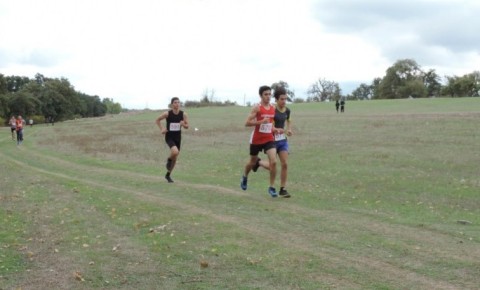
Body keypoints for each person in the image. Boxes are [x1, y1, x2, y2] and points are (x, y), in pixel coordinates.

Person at [253, 87, 293, 198]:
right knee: (272, 165)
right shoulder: (272, 110)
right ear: (276, 99)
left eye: (285, 99)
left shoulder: (287, 110)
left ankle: (283, 189)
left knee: (285, 164)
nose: (284, 101)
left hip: (282, 140)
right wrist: (275, 129)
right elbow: (269, 124)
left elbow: (289, 120)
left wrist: (289, 129)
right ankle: (259, 163)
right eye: (281, 99)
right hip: (271, 140)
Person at [240, 85, 278, 197]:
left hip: (268, 138)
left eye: (269, 94)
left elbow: (270, 123)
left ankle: (271, 187)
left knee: (274, 162)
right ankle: (245, 177)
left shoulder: (273, 108)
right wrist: (260, 122)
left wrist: (274, 129)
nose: (268, 96)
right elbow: (247, 123)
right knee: (251, 162)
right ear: (261, 95)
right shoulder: (257, 108)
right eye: (266, 94)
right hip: (256, 138)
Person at [155, 97, 189, 183]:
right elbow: (157, 120)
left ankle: (168, 175)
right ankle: (168, 160)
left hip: (178, 138)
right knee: (174, 152)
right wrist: (162, 129)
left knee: (175, 158)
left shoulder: (183, 114)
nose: (177, 104)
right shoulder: (167, 114)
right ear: (172, 104)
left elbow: (187, 126)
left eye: (178, 102)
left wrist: (183, 125)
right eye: (175, 102)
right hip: (169, 137)